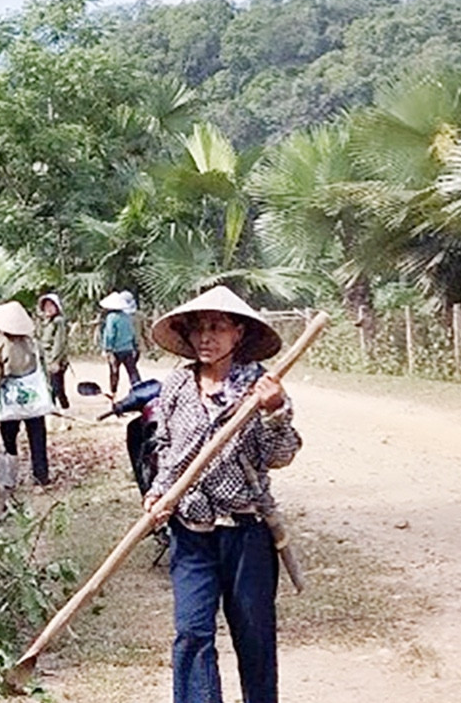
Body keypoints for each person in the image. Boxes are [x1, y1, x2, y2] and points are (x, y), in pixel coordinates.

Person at [142, 286, 299, 703]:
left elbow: (281, 455)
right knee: (191, 632)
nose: (205, 337)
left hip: (246, 531)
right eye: (198, 329)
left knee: (254, 635)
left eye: (217, 327)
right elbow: (166, 449)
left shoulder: (261, 387)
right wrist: (158, 493)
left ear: (238, 333)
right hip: (190, 530)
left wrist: (274, 411)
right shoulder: (177, 385)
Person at [0, 301, 50, 487]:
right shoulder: (33, 344)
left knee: (8, 440)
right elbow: (43, 371)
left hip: (9, 400)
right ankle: (41, 476)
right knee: (37, 437)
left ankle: (7, 479)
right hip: (33, 398)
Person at [101, 290, 142, 395]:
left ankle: (113, 393)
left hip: (115, 350)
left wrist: (107, 348)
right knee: (132, 371)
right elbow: (132, 332)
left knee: (114, 372)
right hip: (128, 349)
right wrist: (135, 346)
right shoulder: (127, 317)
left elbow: (110, 334)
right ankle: (139, 390)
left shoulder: (111, 317)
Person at [37, 292, 71, 410]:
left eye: (51, 305)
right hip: (46, 358)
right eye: (46, 306)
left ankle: (63, 409)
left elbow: (59, 342)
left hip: (55, 359)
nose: (48, 308)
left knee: (57, 386)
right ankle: (53, 410)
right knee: (49, 386)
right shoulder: (45, 322)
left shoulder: (58, 321)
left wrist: (56, 361)